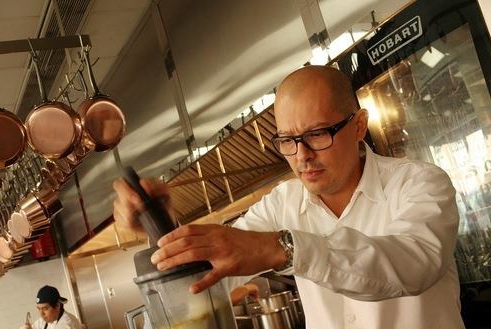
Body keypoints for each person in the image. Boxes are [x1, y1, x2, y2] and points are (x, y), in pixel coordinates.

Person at [112, 65, 465, 328]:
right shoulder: (284, 202)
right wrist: (159, 222)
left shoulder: (419, 183)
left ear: (358, 126)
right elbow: (213, 268)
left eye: (316, 134)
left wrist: (281, 247)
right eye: (287, 140)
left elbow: (413, 264)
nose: (301, 155)